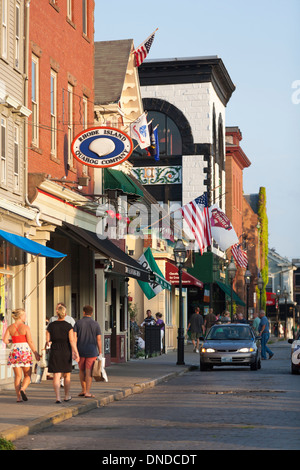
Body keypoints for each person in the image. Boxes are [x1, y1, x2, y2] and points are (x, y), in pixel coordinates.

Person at [3, 308, 40, 402]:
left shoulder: (10, 327)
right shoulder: (25, 327)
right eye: (24, 315)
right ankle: (23, 389)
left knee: (18, 376)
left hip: (15, 350)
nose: (25, 317)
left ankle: (18, 397)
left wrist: (13, 340)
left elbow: (5, 340)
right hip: (24, 351)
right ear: (20, 316)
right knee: (27, 375)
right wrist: (35, 352)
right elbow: (30, 341)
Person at [46, 305, 79, 403]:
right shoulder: (68, 326)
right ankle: (67, 396)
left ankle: (57, 398)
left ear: (57, 314)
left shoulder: (51, 326)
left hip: (55, 351)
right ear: (65, 314)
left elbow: (47, 340)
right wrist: (76, 352)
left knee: (56, 375)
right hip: (66, 351)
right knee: (66, 375)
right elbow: (72, 341)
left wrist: (49, 342)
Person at [74, 305, 102, 398]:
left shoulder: (78, 323)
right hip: (92, 351)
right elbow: (98, 339)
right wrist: (100, 352)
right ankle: (87, 392)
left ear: (83, 312)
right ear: (92, 313)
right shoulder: (96, 324)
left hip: (80, 350)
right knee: (89, 371)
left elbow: (74, 337)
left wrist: (74, 350)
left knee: (81, 370)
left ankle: (83, 389)